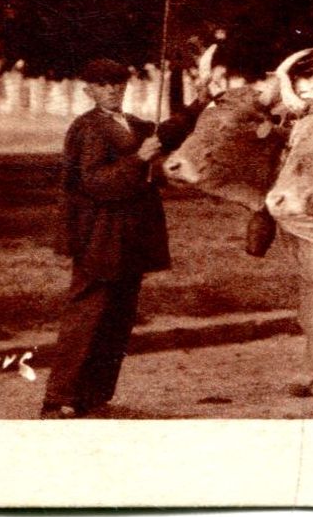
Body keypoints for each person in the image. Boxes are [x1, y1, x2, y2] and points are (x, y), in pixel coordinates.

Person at [41, 58, 198, 419]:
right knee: (88, 315)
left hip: (132, 236)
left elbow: (167, 133)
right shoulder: (88, 128)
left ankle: (94, 397)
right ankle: (58, 399)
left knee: (118, 316)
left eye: (117, 84)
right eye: (102, 85)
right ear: (88, 91)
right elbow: (95, 181)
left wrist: (198, 103)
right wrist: (137, 159)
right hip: (100, 234)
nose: (111, 90)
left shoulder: (134, 124)